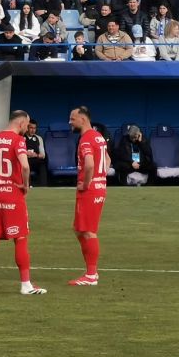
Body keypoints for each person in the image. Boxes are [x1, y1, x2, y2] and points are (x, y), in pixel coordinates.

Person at [0, 110, 45, 295]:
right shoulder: (18, 141)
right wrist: (25, 184)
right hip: (12, 194)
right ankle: (26, 284)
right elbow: (25, 166)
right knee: (20, 238)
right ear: (21, 123)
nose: (27, 129)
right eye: (27, 126)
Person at [69, 106, 110, 287]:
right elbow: (107, 160)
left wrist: (86, 184)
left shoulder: (86, 139)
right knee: (79, 229)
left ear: (83, 119)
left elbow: (89, 165)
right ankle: (90, 271)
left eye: (72, 119)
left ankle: (91, 275)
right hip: (99, 187)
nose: (70, 122)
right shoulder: (98, 136)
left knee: (87, 231)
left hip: (90, 191)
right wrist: (101, 177)